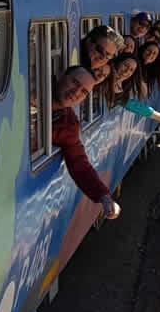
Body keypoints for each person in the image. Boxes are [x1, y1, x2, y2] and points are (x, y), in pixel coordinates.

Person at [51, 66, 121, 219]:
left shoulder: (68, 125)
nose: (76, 93)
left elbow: (80, 165)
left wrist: (104, 197)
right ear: (61, 76)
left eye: (83, 92)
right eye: (74, 82)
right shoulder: (30, 87)